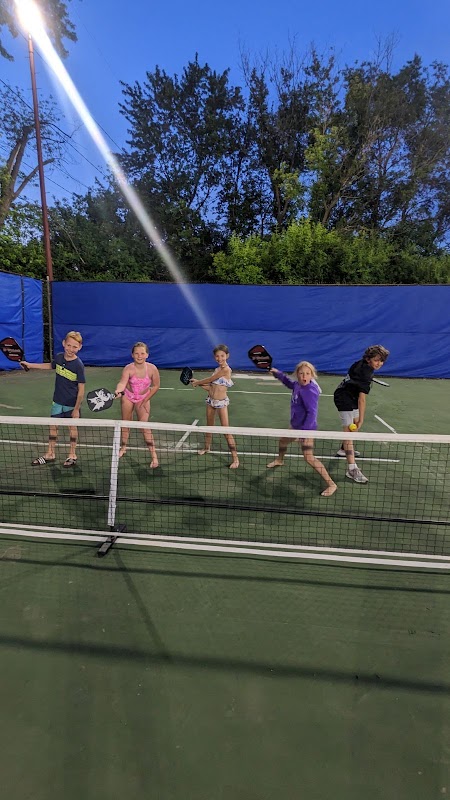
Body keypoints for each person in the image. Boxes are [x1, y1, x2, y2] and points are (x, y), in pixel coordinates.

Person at [267, 361, 337, 497]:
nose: (304, 376)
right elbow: (289, 383)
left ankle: (331, 484)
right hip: (295, 426)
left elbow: (312, 413)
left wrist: (304, 433)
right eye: (301, 373)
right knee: (282, 441)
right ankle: (280, 460)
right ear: (297, 374)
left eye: (307, 373)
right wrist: (277, 374)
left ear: (312, 375)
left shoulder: (310, 391)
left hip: (306, 429)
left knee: (309, 457)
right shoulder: (298, 385)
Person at [21, 331, 85, 467]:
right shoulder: (59, 357)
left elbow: (81, 390)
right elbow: (50, 366)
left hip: (71, 404)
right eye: (69, 345)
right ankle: (50, 453)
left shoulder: (78, 365)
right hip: (57, 401)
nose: (71, 349)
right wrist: (30, 365)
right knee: (53, 427)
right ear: (64, 343)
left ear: (79, 347)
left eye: (74, 347)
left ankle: (72, 455)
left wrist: (76, 409)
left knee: (72, 428)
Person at [333, 344, 390, 483]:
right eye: (376, 360)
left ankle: (343, 449)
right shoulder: (365, 373)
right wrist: (362, 420)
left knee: (353, 428)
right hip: (344, 398)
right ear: (368, 359)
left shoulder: (361, 364)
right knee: (349, 433)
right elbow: (362, 400)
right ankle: (352, 469)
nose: (379, 363)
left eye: (381, 361)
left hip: (351, 395)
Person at [190, 344, 239, 469]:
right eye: (217, 356)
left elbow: (211, 379)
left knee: (226, 431)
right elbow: (211, 388)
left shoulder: (226, 370)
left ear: (227, 356)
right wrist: (197, 384)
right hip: (210, 401)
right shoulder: (217, 369)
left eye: (222, 356)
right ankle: (207, 448)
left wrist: (198, 382)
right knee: (209, 427)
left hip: (221, 403)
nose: (220, 358)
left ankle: (235, 459)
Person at [114, 342, 160, 468]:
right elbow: (122, 383)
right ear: (132, 355)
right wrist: (118, 390)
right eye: (136, 353)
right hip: (128, 397)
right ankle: (123, 447)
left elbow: (156, 386)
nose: (139, 356)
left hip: (143, 398)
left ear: (147, 355)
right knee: (125, 423)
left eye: (142, 353)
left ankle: (154, 456)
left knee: (144, 426)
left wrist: (146, 399)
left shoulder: (152, 369)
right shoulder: (128, 368)